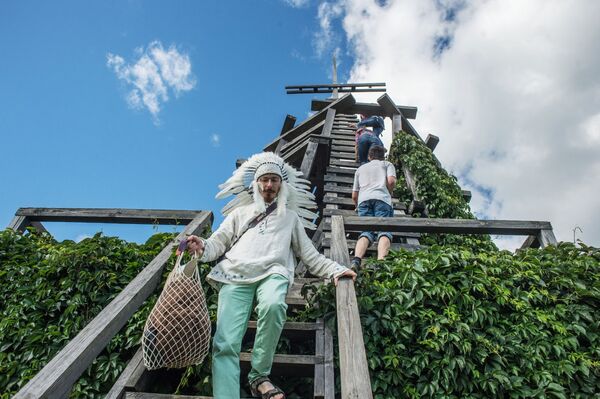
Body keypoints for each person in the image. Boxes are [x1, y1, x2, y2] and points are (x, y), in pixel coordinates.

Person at [186, 152, 356, 399]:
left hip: (274, 272)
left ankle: (258, 376)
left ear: (281, 184)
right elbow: (217, 244)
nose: (269, 185)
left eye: (274, 180)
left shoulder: (290, 217)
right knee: (225, 344)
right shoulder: (240, 214)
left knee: (274, 306)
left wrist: (336, 270)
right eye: (264, 179)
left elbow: (310, 256)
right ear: (256, 183)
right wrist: (201, 246)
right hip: (235, 273)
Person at [350, 145, 397, 270]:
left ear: (369, 156)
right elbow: (391, 181)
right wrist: (389, 192)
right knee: (384, 231)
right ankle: (381, 262)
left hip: (363, 201)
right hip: (382, 199)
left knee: (365, 232)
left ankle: (356, 260)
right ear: (383, 156)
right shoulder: (387, 164)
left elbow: (354, 195)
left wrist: (357, 207)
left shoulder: (360, 169)